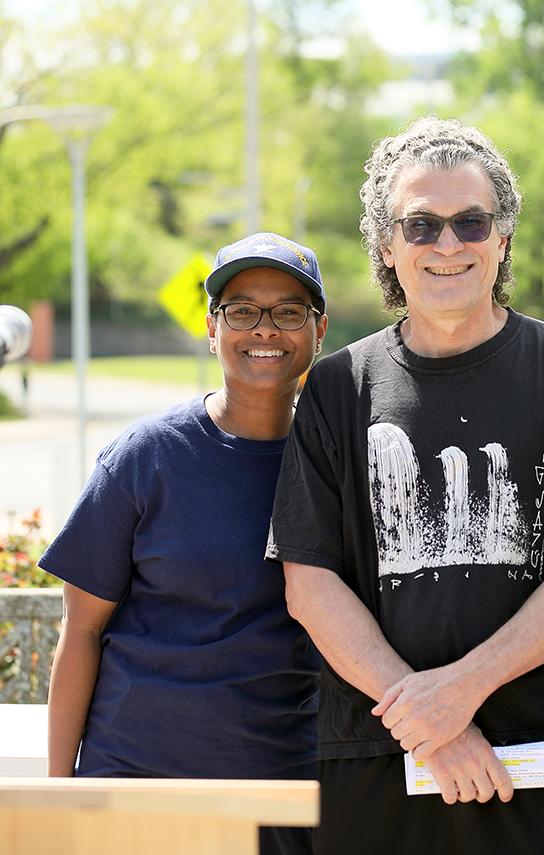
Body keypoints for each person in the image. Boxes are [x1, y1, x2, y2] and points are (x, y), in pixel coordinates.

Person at [266, 117, 544, 855]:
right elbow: (309, 582)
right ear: (387, 246)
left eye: (470, 221)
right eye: (421, 225)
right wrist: (430, 726)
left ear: (502, 237)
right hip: (373, 760)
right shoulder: (339, 387)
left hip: (534, 758)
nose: (448, 244)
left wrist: (458, 694)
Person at [42, 232, 327, 855]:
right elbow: (81, 631)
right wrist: (59, 800)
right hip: (137, 781)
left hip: (283, 788)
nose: (265, 330)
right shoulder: (146, 458)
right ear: (212, 326)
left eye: (288, 312)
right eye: (242, 310)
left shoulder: (336, 463)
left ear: (318, 330)